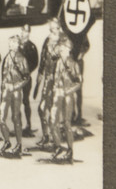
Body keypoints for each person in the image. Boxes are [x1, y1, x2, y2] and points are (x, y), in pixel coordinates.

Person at [48, 40, 82, 164]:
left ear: (68, 49)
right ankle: (58, 147)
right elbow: (56, 78)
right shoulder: (58, 63)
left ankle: (70, 150)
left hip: (67, 95)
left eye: (63, 48)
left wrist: (68, 90)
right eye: (60, 48)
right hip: (58, 94)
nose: (61, 51)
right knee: (52, 121)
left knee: (67, 123)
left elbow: (78, 82)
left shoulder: (73, 64)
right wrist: (55, 88)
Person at [33, 18, 64, 149]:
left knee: (52, 111)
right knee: (41, 109)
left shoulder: (63, 45)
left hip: (57, 83)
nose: (50, 33)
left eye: (53, 30)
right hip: (47, 79)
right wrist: (40, 73)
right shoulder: (48, 41)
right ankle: (46, 136)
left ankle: (54, 139)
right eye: (49, 30)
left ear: (59, 29)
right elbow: (43, 57)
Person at [0, 34, 30, 156]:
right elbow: (4, 74)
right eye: (10, 42)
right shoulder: (7, 58)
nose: (11, 44)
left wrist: (15, 86)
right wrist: (3, 87)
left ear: (18, 44)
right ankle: (7, 141)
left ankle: (19, 144)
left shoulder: (21, 59)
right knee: (0, 117)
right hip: (6, 91)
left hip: (16, 91)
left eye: (14, 42)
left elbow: (26, 78)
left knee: (16, 117)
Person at [18, 24, 39, 135]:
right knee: (16, 101)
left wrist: (26, 71)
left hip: (26, 77)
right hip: (16, 78)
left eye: (25, 31)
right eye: (22, 30)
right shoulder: (16, 44)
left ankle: (28, 124)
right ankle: (19, 125)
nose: (23, 33)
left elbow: (35, 62)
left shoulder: (31, 47)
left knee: (25, 100)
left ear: (29, 33)